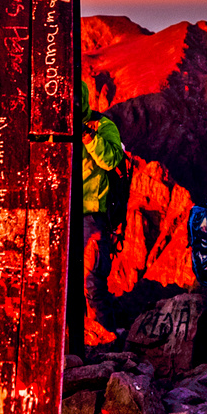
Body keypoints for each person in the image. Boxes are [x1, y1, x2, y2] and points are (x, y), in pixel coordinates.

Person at [78, 99, 125, 346]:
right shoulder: (52, 125)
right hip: (60, 214)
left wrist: (87, 135)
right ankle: (70, 342)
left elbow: (112, 160)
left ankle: (105, 343)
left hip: (91, 216)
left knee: (92, 285)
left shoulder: (102, 126)